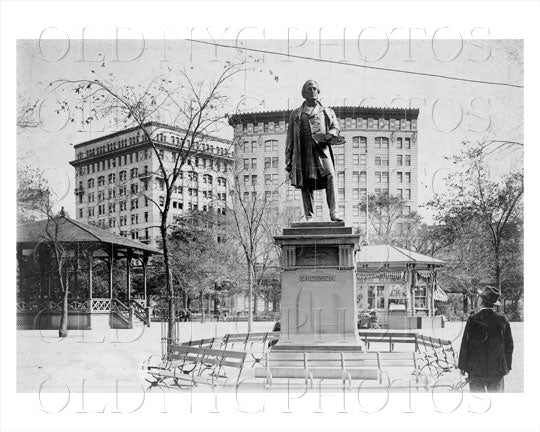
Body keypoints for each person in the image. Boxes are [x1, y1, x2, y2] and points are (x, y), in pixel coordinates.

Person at [285, 80, 344, 222]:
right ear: (304, 93)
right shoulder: (296, 114)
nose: (313, 91)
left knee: (330, 176)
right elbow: (290, 139)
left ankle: (334, 213)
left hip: (321, 152)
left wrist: (330, 134)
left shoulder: (327, 111)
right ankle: (309, 216)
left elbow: (336, 127)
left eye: (315, 89)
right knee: (306, 182)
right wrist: (288, 160)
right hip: (303, 152)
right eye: (310, 89)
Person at [458, 285, 514, 392]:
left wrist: (462, 366)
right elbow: (509, 345)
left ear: (481, 301)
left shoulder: (473, 319)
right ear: (493, 304)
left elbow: (465, 344)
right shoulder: (502, 320)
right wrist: (507, 366)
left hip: (476, 368)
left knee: (477, 400)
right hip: (496, 368)